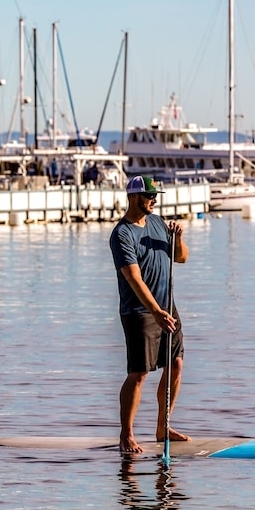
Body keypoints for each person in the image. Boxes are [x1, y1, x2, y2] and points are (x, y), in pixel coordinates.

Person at [109, 176, 189, 454]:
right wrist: (155, 312)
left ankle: (162, 427)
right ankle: (126, 435)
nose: (154, 200)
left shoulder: (157, 223)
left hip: (167, 307)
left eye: (155, 195)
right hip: (140, 312)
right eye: (149, 195)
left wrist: (178, 238)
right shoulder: (122, 234)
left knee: (176, 364)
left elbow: (181, 258)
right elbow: (133, 278)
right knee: (139, 373)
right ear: (133, 197)